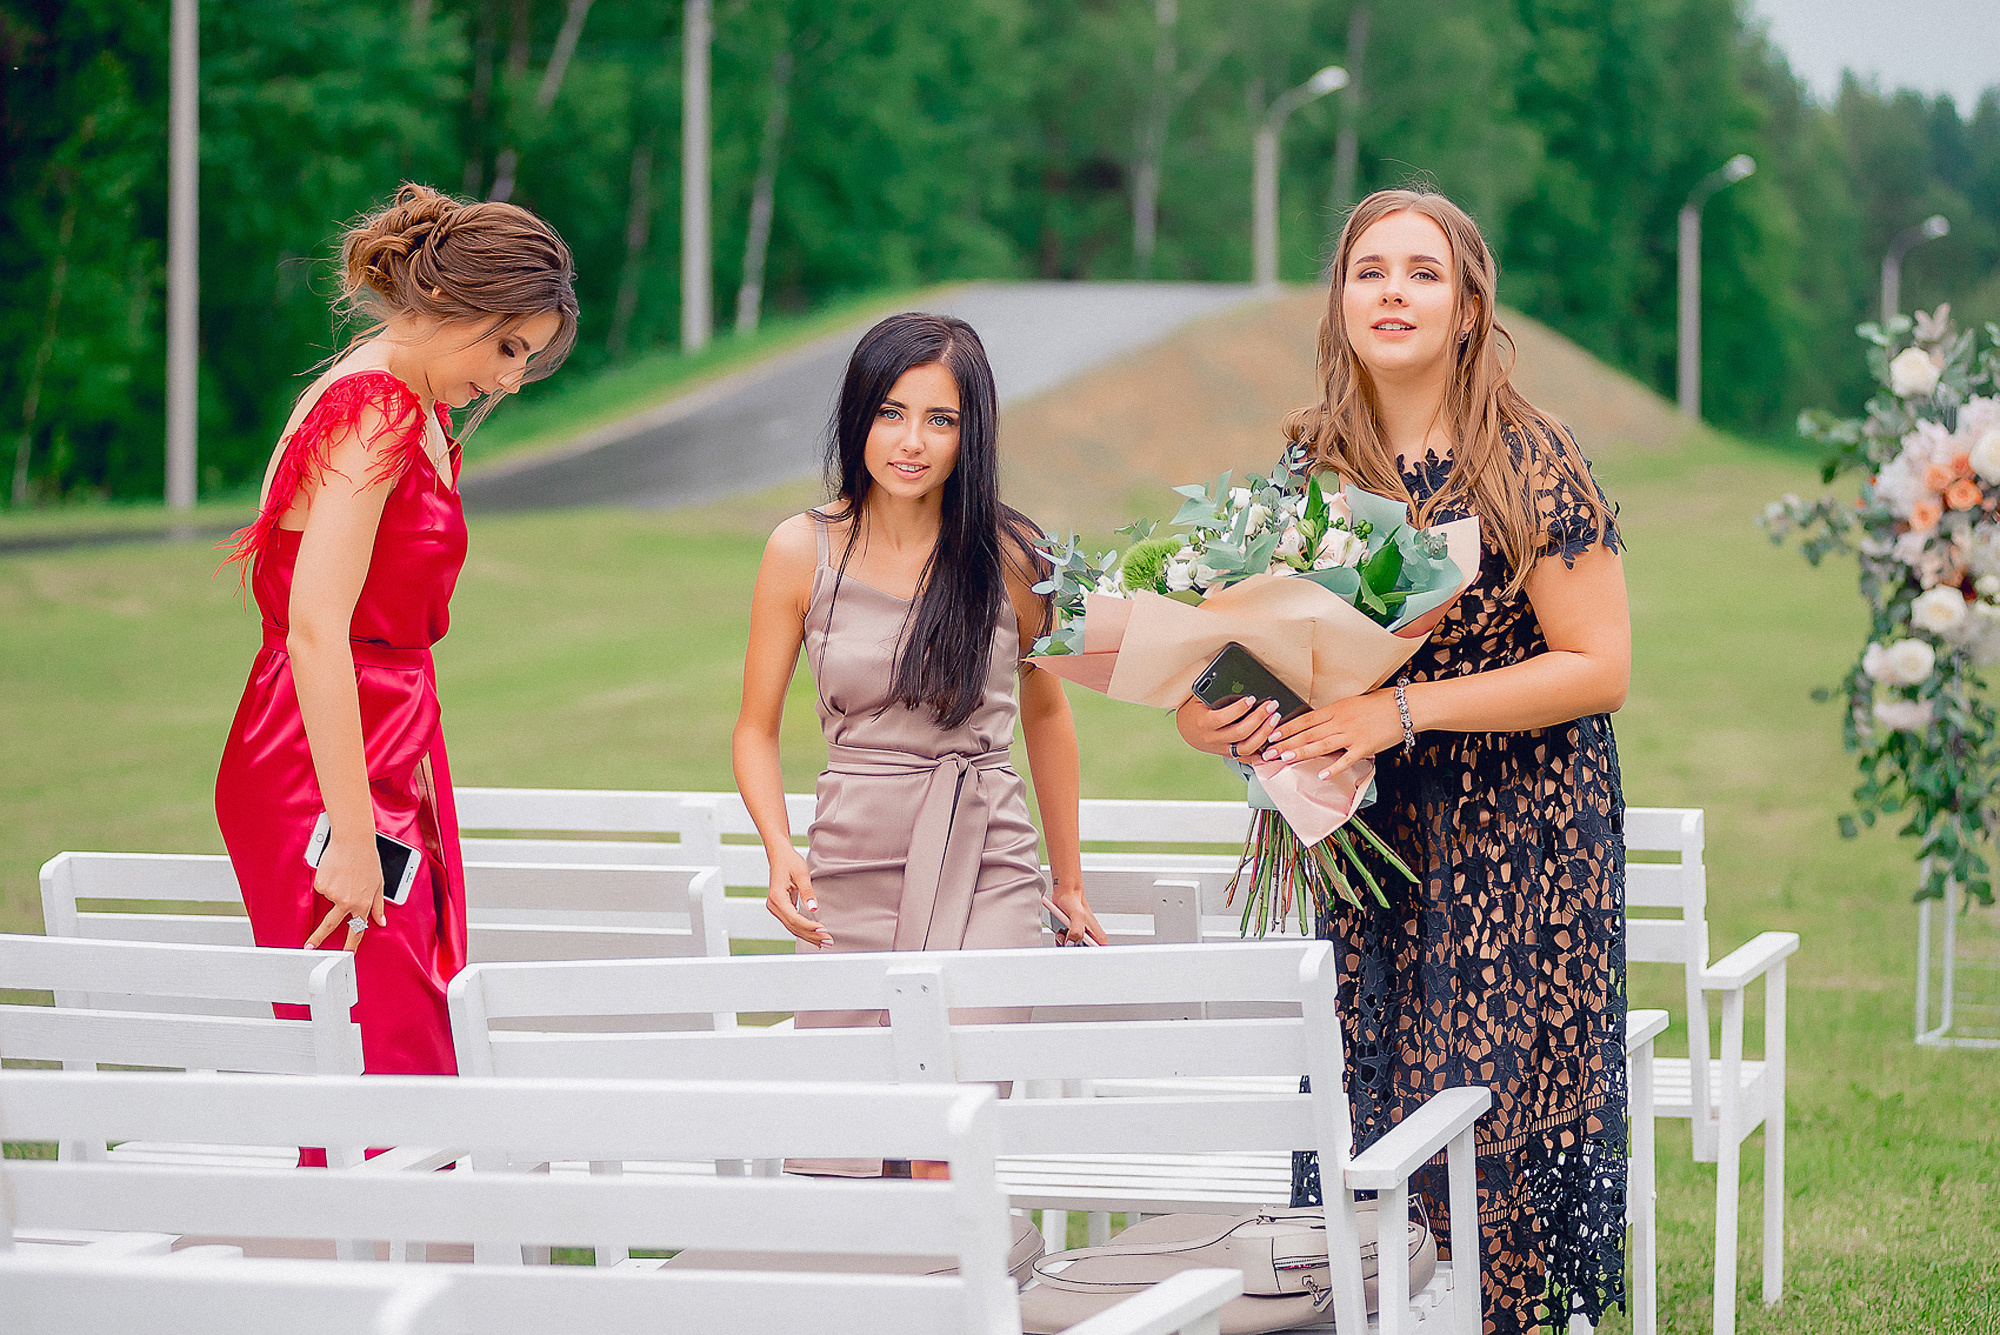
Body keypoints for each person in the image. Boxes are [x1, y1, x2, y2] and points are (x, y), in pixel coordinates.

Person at [1176, 188, 1630, 1332]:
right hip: (1369, 848)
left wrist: (1404, 710)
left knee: (1482, 1117)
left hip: (1521, 845)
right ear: (1338, 301)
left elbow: (1597, 666)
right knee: (1366, 1104)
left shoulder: (1530, 457)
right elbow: (1231, 672)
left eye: (1422, 273)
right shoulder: (1307, 466)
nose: (1392, 291)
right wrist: (1217, 718)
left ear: (1469, 307)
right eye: (1368, 269)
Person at [215, 184, 576, 1133]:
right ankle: (381, 1265)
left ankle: (417, 1264)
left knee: (412, 1035)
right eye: (504, 346)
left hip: (389, 738)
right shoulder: (371, 405)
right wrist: (345, 830)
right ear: (454, 298)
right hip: (324, 756)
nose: (506, 379)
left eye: (526, 361)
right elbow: (313, 626)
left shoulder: (409, 406)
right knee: (380, 1054)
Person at [732, 313, 1106, 1172]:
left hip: (989, 859)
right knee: (850, 1144)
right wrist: (778, 847)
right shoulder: (799, 550)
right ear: (857, 415)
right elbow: (754, 730)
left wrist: (1070, 876)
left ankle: (958, 1298)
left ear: (972, 432)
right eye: (891, 413)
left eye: (941, 420)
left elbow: (1047, 713)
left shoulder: (1013, 553)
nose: (913, 442)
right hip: (851, 860)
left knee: (953, 1128)